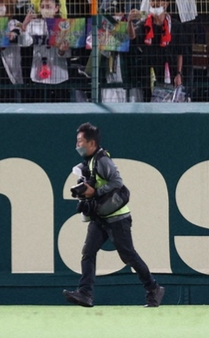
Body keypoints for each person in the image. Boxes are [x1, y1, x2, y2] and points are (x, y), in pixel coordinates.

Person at [63, 122, 165, 309]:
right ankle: (85, 294)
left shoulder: (102, 160)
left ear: (91, 143)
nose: (77, 145)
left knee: (129, 256)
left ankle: (153, 288)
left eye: (80, 141)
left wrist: (95, 192)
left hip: (117, 218)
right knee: (88, 252)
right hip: (101, 217)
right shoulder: (90, 162)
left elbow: (117, 181)